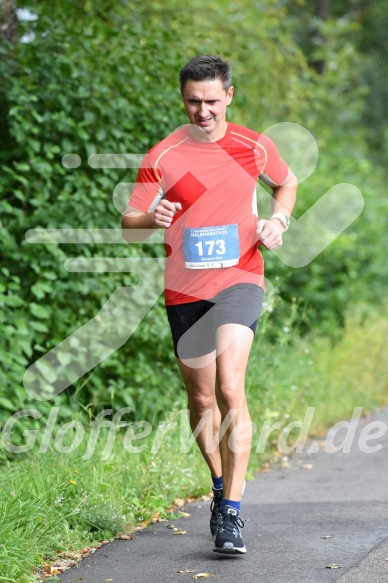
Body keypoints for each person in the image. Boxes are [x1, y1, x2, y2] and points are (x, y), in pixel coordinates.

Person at [121, 55, 297, 554]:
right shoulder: (164, 155)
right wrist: (151, 216)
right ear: (183, 99)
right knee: (201, 401)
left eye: (212, 101)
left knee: (229, 385)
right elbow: (130, 222)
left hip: (241, 278)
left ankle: (234, 514)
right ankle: (220, 490)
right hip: (184, 288)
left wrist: (277, 223)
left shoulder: (252, 146)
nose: (203, 111)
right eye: (194, 101)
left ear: (230, 97)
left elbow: (287, 184)